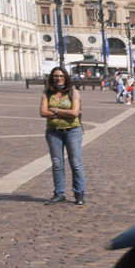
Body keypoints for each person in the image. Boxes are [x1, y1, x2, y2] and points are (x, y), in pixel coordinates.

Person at [40, 67, 85, 205]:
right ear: (51, 78)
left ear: (65, 77)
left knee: (76, 163)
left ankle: (79, 193)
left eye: (61, 76)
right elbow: (42, 112)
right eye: (55, 76)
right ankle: (59, 193)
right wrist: (65, 111)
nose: (58, 78)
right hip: (53, 132)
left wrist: (54, 110)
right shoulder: (46, 93)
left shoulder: (73, 93)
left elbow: (74, 113)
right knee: (57, 163)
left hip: (72, 131)